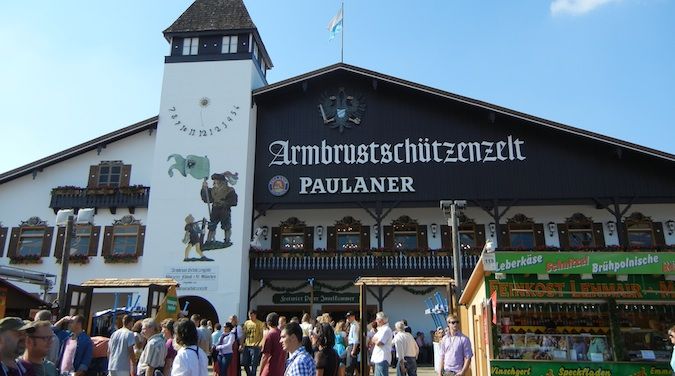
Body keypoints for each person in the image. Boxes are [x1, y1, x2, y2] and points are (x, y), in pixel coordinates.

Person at [201, 172, 239, 247]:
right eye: (214, 181)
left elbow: (233, 201)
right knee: (212, 226)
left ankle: (227, 240)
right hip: (215, 209)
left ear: (221, 181)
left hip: (224, 210)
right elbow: (208, 199)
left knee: (226, 226)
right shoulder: (213, 190)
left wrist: (225, 202)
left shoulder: (229, 190)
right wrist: (204, 189)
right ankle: (209, 241)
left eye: (216, 180)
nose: (214, 182)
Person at [240, 310, 264, 376]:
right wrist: (241, 344)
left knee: (254, 363)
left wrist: (260, 343)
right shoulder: (246, 323)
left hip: (255, 346)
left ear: (255, 315)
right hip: (247, 345)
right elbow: (244, 334)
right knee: (244, 362)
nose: (250, 317)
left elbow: (262, 335)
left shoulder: (260, 323)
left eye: (252, 315)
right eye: (249, 316)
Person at [370, 312, 393, 376]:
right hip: (378, 357)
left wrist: (375, 340)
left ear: (381, 320)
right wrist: (375, 340)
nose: (376, 320)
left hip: (382, 357)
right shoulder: (381, 329)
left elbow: (379, 343)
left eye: (377, 319)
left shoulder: (386, 329)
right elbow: (373, 339)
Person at [345, 312, 359, 376]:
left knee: (350, 365)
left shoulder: (354, 325)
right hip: (351, 346)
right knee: (351, 364)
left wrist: (353, 349)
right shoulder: (352, 325)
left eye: (349, 317)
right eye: (347, 317)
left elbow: (356, 339)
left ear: (353, 316)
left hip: (353, 346)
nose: (348, 318)